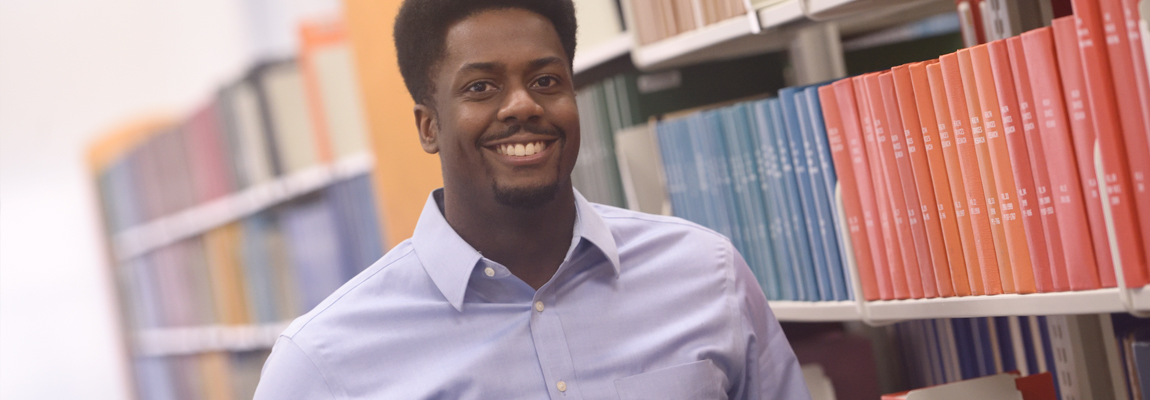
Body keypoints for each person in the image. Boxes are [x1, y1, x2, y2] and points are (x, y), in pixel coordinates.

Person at [253, 0, 810, 398]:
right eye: (480, 87)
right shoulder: (322, 364)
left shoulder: (707, 275)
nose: (522, 105)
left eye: (546, 81)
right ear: (428, 127)